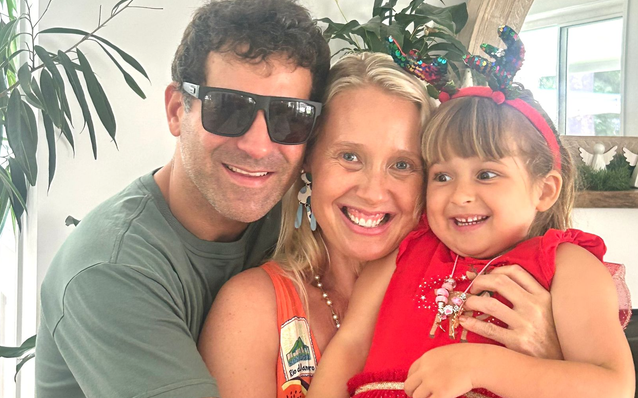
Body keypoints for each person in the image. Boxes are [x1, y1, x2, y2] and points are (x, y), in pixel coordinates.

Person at [198, 52, 566, 398]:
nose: (374, 192)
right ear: (309, 160)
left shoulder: (514, 296)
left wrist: (550, 359)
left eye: (402, 165)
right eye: (349, 156)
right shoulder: (251, 310)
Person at [34, 0, 330, 396]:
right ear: (177, 110)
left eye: (289, 117)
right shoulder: (110, 271)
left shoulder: (294, 217)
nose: (258, 146)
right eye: (228, 109)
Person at [306, 35, 635, 397]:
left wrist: (482, 367)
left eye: (486, 174)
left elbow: (613, 387)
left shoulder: (567, 266)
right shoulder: (404, 251)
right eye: (442, 176)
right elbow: (350, 346)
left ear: (544, 191)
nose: (460, 195)